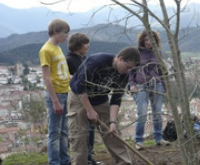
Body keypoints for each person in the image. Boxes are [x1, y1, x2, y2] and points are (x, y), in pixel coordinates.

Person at [67, 46, 140, 165]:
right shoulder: (97, 62)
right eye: (128, 67)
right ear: (120, 59)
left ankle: (124, 162)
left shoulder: (124, 74)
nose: (128, 71)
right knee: (79, 136)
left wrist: (112, 123)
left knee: (114, 134)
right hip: (78, 98)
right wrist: (90, 110)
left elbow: (116, 99)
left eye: (131, 69)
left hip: (100, 99)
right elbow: (81, 88)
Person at [129, 30, 169, 149]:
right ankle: (139, 140)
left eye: (151, 40)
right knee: (142, 112)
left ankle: (159, 138)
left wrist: (164, 86)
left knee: (157, 112)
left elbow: (161, 70)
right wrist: (131, 84)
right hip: (141, 84)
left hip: (156, 84)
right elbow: (131, 70)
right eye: (146, 40)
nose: (148, 43)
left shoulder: (158, 53)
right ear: (142, 40)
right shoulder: (136, 53)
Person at [38, 18, 71, 165]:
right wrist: (55, 101)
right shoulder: (46, 50)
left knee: (64, 132)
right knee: (54, 133)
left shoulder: (58, 47)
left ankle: (65, 161)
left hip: (65, 92)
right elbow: (46, 78)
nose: (67, 36)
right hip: (56, 95)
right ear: (56, 32)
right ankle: (54, 162)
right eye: (65, 33)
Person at [66, 33, 101, 165]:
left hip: (87, 97)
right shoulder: (70, 60)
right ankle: (79, 158)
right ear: (79, 45)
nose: (88, 46)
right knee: (79, 130)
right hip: (77, 98)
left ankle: (88, 156)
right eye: (86, 43)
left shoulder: (83, 59)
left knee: (90, 129)